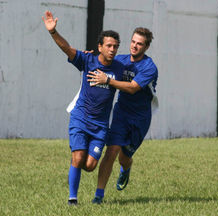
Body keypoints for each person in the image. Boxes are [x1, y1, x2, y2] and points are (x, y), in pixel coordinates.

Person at [42, 11, 123, 205]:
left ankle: (84, 177)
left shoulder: (120, 68)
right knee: (78, 158)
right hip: (80, 118)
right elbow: (67, 49)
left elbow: (134, 80)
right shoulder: (88, 61)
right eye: (109, 46)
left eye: (115, 46)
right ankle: (72, 199)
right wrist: (53, 32)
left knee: (89, 165)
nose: (112, 49)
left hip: (100, 125)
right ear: (100, 47)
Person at [87, 27, 158, 204]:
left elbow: (133, 88)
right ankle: (99, 196)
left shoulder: (149, 67)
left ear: (146, 47)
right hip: (121, 113)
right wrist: (89, 55)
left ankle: (126, 168)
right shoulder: (121, 60)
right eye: (133, 42)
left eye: (139, 44)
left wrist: (108, 80)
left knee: (124, 157)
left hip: (140, 118)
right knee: (111, 151)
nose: (134, 46)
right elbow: (102, 60)